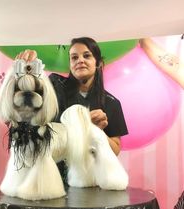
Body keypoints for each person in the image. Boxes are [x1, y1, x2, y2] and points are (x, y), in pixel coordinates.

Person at [16, 37, 128, 182]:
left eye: (86, 55)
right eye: (74, 57)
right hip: (50, 177)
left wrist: (95, 131)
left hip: (89, 181)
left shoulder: (111, 103)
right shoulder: (54, 86)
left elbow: (115, 150)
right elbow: (30, 109)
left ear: (98, 62)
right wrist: (27, 69)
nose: (80, 60)